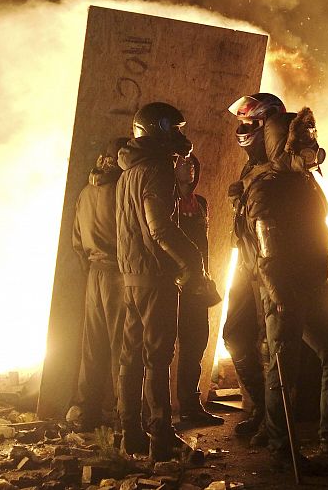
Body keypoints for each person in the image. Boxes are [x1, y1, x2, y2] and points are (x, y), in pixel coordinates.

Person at [235, 95, 328, 472]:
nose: (310, 149)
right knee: (282, 371)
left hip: (315, 285)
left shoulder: (303, 182)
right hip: (284, 293)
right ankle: (283, 450)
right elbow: (267, 249)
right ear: (281, 143)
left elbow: (320, 229)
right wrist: (281, 295)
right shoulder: (265, 187)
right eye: (301, 142)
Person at [116, 102, 206, 461]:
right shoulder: (157, 170)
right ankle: (162, 440)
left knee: (130, 357)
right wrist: (192, 261)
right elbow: (160, 228)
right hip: (155, 278)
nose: (182, 138)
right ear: (161, 131)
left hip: (131, 277)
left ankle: (131, 436)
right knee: (157, 358)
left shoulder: (128, 171)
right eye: (176, 130)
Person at [222, 93, 280, 444]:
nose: (242, 131)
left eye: (249, 124)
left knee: (274, 347)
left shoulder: (282, 164)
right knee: (234, 334)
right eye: (241, 124)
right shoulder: (253, 166)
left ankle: (274, 424)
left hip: (270, 267)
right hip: (247, 264)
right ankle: (261, 408)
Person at [68, 137, 130, 431]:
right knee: (122, 346)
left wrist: (91, 267)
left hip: (94, 273)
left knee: (92, 346)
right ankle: (123, 414)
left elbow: (76, 241)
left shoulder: (84, 192)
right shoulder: (122, 191)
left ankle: (85, 410)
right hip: (118, 274)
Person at [174, 153, 224, 426]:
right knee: (162, 350)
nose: (189, 167)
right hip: (173, 287)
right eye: (183, 163)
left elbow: (202, 246)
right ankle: (152, 413)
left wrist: (205, 276)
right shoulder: (165, 203)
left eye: (193, 163)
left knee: (195, 346)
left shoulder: (202, 204)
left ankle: (190, 407)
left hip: (197, 287)